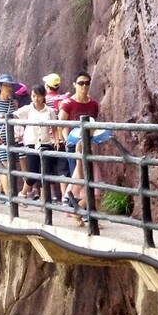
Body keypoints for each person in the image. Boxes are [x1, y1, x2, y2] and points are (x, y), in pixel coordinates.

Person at [58, 71, 101, 217]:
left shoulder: (93, 104)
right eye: (81, 83)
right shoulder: (68, 103)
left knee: (88, 177)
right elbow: (61, 123)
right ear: (74, 85)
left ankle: (80, 210)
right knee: (78, 177)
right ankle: (76, 209)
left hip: (88, 145)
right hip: (73, 144)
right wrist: (66, 141)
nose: (84, 86)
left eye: (87, 83)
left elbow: (93, 124)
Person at [12, 84, 57, 202]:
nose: (36, 99)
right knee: (33, 172)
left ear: (43, 96)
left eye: (38, 96)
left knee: (46, 172)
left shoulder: (50, 111)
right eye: (33, 96)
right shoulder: (28, 109)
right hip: (31, 143)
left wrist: (56, 140)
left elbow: (55, 126)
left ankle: (44, 203)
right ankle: (23, 193)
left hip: (46, 143)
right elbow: (15, 114)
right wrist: (3, 116)